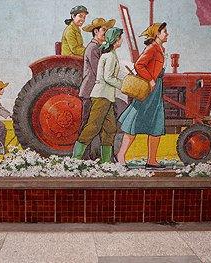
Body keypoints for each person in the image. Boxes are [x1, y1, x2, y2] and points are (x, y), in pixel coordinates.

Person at [116, 22, 169, 169]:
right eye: (164, 31)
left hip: (156, 89)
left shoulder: (160, 49)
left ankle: (152, 160)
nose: (167, 34)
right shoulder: (152, 48)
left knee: (156, 124)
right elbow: (139, 65)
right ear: (157, 34)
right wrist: (151, 80)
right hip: (148, 89)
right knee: (135, 121)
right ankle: (121, 156)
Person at [72, 27, 124, 163]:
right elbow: (108, 77)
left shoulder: (110, 54)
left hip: (107, 96)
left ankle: (106, 162)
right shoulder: (110, 56)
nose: (121, 40)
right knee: (93, 126)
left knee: (110, 128)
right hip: (101, 96)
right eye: (120, 38)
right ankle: (75, 159)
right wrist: (123, 85)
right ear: (115, 40)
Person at [78, 17, 115, 158]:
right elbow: (98, 70)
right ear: (95, 31)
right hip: (90, 91)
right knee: (88, 124)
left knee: (107, 126)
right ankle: (81, 158)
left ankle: (104, 158)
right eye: (103, 30)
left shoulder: (100, 48)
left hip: (99, 92)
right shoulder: (93, 48)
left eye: (107, 30)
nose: (106, 33)